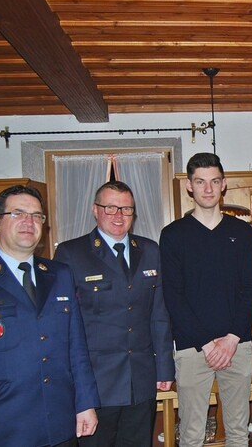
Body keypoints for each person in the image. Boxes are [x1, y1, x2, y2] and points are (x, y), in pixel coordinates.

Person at [0, 185, 99, 447]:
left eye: (37, 216)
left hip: (59, 422)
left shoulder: (60, 274)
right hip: (1, 427)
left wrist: (85, 403)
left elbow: (76, 349)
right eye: (18, 213)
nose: (29, 222)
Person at [54, 180, 174, 446]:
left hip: (141, 379)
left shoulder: (150, 250)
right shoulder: (71, 253)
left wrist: (165, 368)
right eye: (110, 208)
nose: (119, 216)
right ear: (95, 210)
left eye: (126, 209)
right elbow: (62, 324)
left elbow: (159, 314)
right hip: (96, 382)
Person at [159, 152, 252, 446]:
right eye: (200, 182)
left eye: (214, 181)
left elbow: (250, 289)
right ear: (189, 186)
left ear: (223, 184)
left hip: (236, 345)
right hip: (192, 349)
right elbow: (173, 296)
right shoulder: (173, 234)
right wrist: (206, 343)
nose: (207, 189)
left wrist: (230, 339)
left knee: (239, 432)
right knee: (191, 434)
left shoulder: (242, 233)